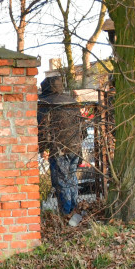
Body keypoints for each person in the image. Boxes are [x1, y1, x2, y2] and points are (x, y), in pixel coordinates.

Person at [37, 76, 86, 219]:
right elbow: (83, 129)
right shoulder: (73, 102)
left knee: (61, 182)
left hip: (58, 149)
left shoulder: (45, 104)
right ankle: (74, 211)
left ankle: (66, 214)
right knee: (71, 180)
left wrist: (43, 148)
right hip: (75, 147)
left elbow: (42, 129)